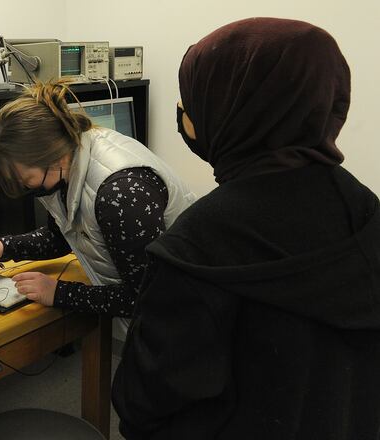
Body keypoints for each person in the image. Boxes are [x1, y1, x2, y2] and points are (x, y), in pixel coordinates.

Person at [113, 17, 380, 440]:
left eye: (193, 99)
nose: (183, 113)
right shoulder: (363, 206)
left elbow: (143, 405)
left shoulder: (196, 245)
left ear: (232, 109)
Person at [0, 81, 196, 319]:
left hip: (186, 318)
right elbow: (64, 236)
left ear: (53, 157)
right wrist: (5, 246)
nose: (28, 188)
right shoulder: (72, 156)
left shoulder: (120, 193)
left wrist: (59, 293)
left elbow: (149, 297)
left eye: (27, 180)